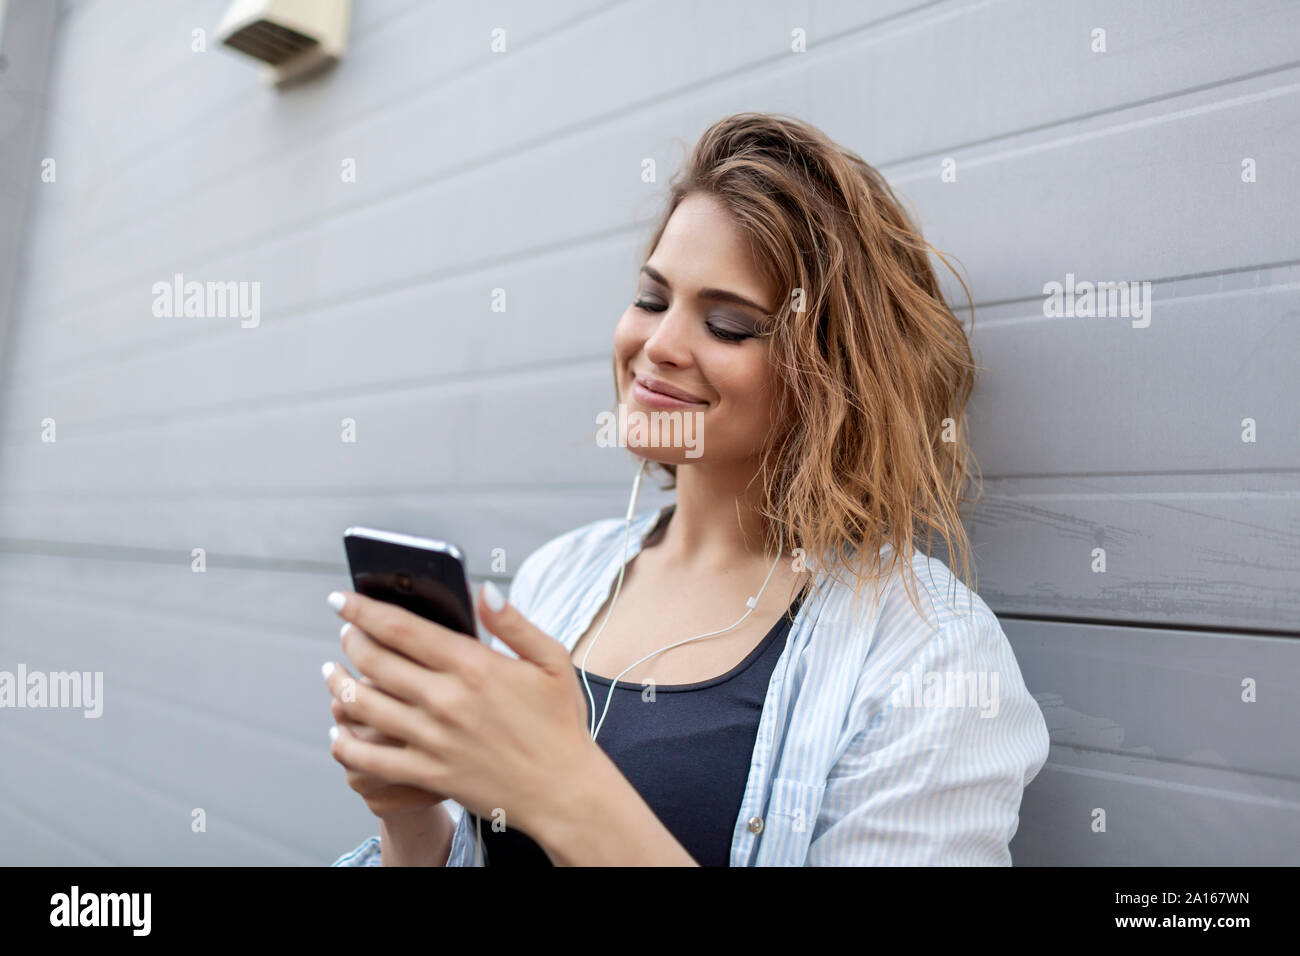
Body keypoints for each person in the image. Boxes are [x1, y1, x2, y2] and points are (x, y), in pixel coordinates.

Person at [324, 112, 1050, 866]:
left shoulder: (931, 656)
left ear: (836, 374)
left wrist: (566, 791)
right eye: (650, 298)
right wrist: (409, 817)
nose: (659, 346)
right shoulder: (557, 576)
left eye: (729, 324)